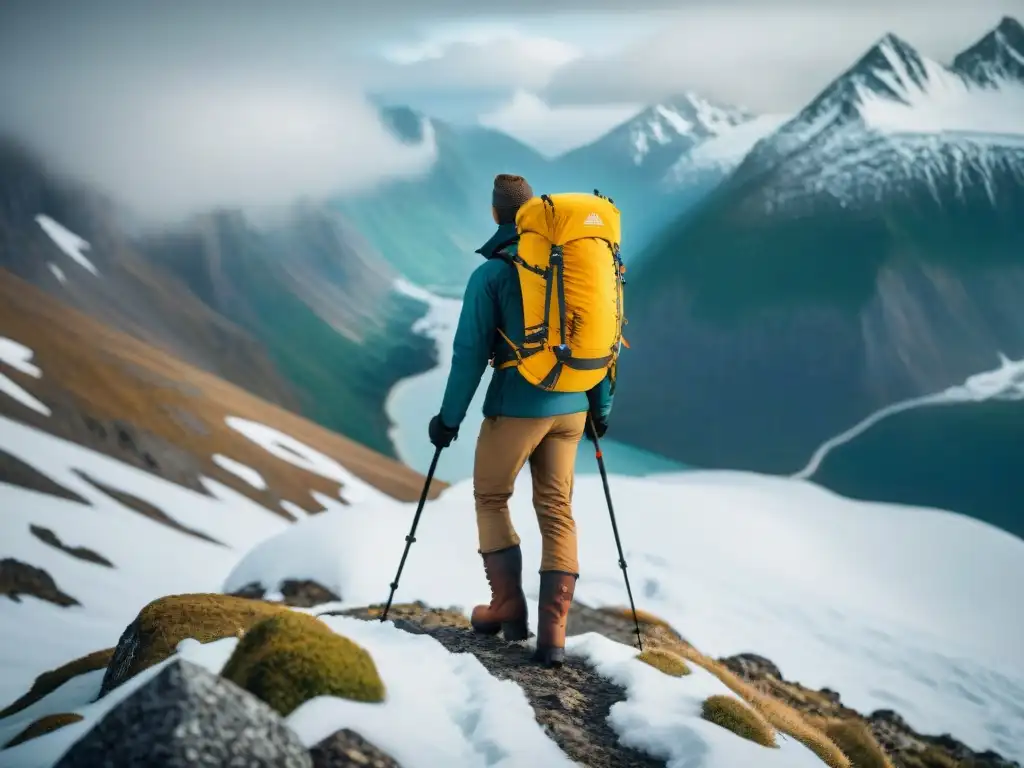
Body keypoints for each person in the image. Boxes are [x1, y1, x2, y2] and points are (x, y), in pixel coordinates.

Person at [427, 173, 614, 668]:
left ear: (496, 214)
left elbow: (469, 354)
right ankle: (553, 633)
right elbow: (591, 335)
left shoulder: (491, 275)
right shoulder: (570, 261)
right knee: (556, 506)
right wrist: (601, 406)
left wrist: (448, 419)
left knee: (491, 496)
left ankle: (508, 605)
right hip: (573, 406)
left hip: (516, 406)